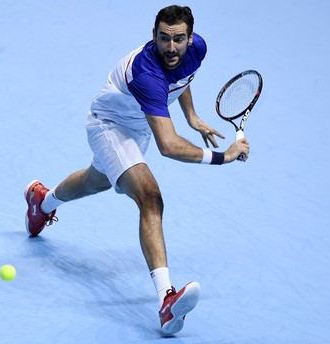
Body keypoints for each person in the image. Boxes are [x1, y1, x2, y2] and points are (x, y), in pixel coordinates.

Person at [24, 5, 250, 336]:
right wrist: (223, 157)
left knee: (96, 181)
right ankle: (167, 301)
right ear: (153, 36)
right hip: (110, 125)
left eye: (178, 39)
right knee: (150, 198)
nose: (171, 48)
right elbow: (169, 146)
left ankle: (41, 202)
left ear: (190, 38)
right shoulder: (146, 74)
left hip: (141, 125)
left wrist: (192, 116)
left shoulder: (195, 49)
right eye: (163, 39)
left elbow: (183, 77)